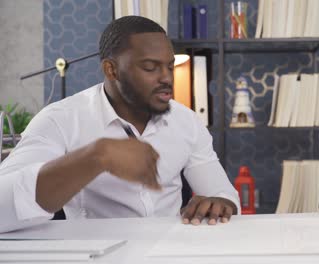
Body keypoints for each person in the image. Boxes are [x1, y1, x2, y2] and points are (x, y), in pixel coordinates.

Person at [0, 16, 239, 233]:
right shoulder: (59, 120)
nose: (166, 77)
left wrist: (220, 203)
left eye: (169, 66)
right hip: (96, 254)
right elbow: (3, 207)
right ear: (111, 69)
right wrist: (97, 156)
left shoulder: (186, 121)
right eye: (149, 67)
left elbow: (224, 194)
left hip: (171, 251)